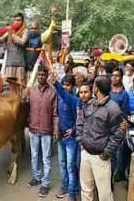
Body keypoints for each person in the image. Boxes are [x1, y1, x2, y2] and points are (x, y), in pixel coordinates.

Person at [76, 75, 125, 201]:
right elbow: (81, 122)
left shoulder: (113, 109)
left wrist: (106, 154)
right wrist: (81, 143)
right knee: (86, 190)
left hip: (101, 159)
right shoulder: (89, 104)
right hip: (85, 153)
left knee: (104, 195)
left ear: (96, 88)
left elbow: (118, 135)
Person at [22, 65, 59, 198]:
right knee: (34, 156)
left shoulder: (53, 92)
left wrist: (55, 131)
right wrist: (23, 97)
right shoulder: (32, 91)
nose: (41, 77)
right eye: (39, 75)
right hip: (33, 129)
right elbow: (24, 106)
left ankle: (45, 184)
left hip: (46, 130)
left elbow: (55, 114)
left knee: (46, 159)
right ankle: (37, 177)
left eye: (43, 75)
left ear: (47, 76)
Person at [49, 73, 81, 201]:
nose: (65, 87)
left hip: (71, 139)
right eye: (63, 84)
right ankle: (65, 187)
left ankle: (72, 194)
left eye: (68, 85)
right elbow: (56, 116)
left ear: (73, 87)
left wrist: (73, 130)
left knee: (70, 167)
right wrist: (56, 131)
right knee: (62, 164)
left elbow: (80, 121)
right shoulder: (59, 98)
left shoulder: (75, 100)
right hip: (61, 137)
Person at [0, 12, 29, 88]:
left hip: (20, 63)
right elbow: (1, 40)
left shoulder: (25, 31)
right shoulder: (10, 31)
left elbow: (22, 42)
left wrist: (11, 34)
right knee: (10, 86)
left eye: (19, 20)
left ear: (22, 21)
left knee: (20, 86)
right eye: (15, 20)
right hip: (10, 62)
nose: (16, 22)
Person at [25, 6, 58, 81]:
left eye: (35, 28)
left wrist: (53, 16)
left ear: (38, 29)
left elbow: (50, 29)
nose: (33, 30)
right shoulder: (26, 36)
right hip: (27, 69)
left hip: (37, 69)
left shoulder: (41, 37)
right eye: (32, 28)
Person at [109, 68, 129, 182]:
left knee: (119, 149)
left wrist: (122, 127)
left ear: (121, 78)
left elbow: (125, 113)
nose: (114, 78)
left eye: (117, 76)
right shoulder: (108, 91)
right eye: (113, 75)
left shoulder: (124, 95)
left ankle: (118, 171)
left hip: (118, 126)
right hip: (107, 125)